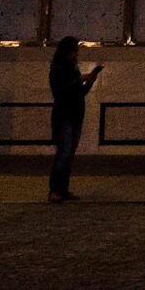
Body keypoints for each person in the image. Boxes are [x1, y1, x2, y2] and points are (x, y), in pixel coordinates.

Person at [48, 36, 101, 202]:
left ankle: (63, 189)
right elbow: (60, 91)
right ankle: (55, 189)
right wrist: (80, 80)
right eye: (74, 51)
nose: (76, 54)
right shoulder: (58, 68)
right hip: (64, 114)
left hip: (75, 114)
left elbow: (79, 92)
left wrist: (89, 82)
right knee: (64, 152)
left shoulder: (72, 68)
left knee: (69, 154)